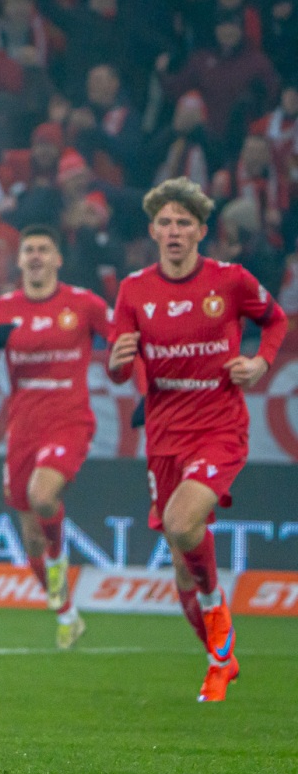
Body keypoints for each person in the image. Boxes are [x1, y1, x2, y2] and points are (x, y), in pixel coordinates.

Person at [107, 177, 287, 702]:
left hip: (219, 428)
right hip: (164, 435)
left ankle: (217, 611)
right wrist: (116, 363)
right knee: (181, 564)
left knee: (183, 523)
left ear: (201, 231)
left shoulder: (230, 281)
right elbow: (120, 367)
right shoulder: (133, 290)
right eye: (165, 222)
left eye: (183, 222)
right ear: (152, 231)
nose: (174, 231)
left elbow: (275, 321)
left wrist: (260, 363)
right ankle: (219, 659)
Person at [0, 225, 110, 648]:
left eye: (44, 249)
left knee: (43, 495)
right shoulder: (3, 308)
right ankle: (67, 614)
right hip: (23, 428)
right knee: (31, 534)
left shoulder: (84, 303)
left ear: (57, 259)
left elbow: (124, 342)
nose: (35, 256)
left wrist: (137, 381)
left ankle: (58, 560)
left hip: (69, 419)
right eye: (28, 249)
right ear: (19, 260)